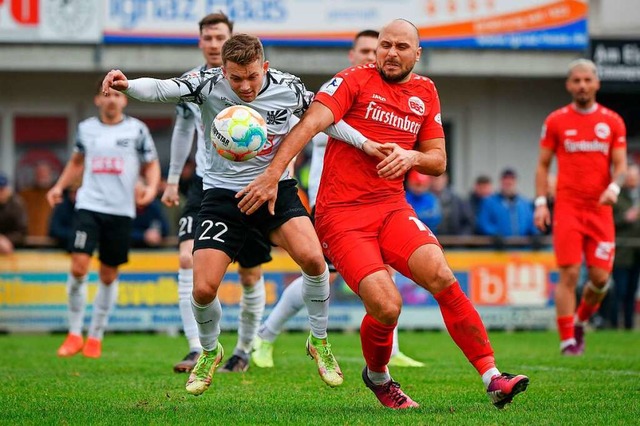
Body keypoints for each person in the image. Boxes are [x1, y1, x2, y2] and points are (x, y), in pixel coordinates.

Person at [238, 18, 529, 410]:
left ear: (417, 54)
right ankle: (378, 377)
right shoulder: (352, 81)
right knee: (387, 305)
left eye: (401, 47)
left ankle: (493, 376)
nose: (391, 52)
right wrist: (273, 175)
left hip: (391, 208)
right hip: (340, 216)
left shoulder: (425, 91)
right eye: (385, 45)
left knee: (442, 275)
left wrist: (413, 156)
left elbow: (438, 161)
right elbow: (309, 125)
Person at [102, 33, 370, 395]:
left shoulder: (288, 88)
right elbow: (163, 89)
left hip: (274, 190)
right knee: (203, 287)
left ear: (265, 67)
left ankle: (318, 340)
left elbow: (325, 118)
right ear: (223, 71)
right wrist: (128, 84)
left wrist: (366, 144)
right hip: (222, 197)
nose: (245, 86)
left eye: (252, 77)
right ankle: (210, 351)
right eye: (236, 78)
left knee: (314, 259)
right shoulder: (208, 83)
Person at [251, 29, 426, 370]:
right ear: (353, 54)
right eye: (364, 50)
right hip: (332, 205)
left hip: (378, 203)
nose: (369, 56)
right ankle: (265, 335)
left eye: (372, 50)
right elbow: (303, 135)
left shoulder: (387, 99)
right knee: (321, 276)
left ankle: (390, 350)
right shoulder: (337, 96)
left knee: (385, 272)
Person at [160, 13, 273, 374]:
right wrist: (173, 179)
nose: (213, 44)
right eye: (207, 38)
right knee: (186, 260)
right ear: (200, 42)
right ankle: (197, 346)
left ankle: (242, 350)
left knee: (250, 274)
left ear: (230, 41)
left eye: (219, 38)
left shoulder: (253, 80)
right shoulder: (191, 83)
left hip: (250, 184)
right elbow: (182, 131)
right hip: (206, 186)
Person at [47, 82, 160, 359]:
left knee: (109, 274)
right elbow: (76, 162)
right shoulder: (87, 128)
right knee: (78, 266)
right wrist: (59, 187)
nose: (112, 100)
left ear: (125, 101)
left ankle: (95, 335)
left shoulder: (137, 130)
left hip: (121, 211)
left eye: (118, 95)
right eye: (107, 95)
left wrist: (152, 187)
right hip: (89, 206)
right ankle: (74, 333)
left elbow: (152, 163)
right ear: (98, 99)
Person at [534, 58, 627, 355]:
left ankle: (579, 322)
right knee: (569, 274)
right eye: (577, 80)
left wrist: (614, 187)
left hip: (600, 210)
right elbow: (543, 165)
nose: (582, 85)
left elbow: (621, 164)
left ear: (597, 83)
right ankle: (567, 342)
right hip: (568, 208)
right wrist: (541, 203)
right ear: (568, 85)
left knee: (600, 279)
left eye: (588, 80)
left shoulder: (612, 121)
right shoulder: (556, 121)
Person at [610, 163, 640, 330]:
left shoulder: (638, 197)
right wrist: (624, 218)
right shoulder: (617, 198)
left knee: (631, 292)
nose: (632, 180)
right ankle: (614, 324)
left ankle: (629, 325)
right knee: (619, 291)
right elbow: (609, 222)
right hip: (621, 253)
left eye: (635, 177)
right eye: (630, 177)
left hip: (637, 253)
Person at [477, 168, 538, 239]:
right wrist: (494, 233)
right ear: (501, 182)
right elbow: (483, 223)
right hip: (499, 247)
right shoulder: (489, 203)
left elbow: (532, 223)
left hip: (522, 246)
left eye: (511, 181)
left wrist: (535, 233)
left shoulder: (525, 204)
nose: (508, 184)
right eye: (506, 181)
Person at [0, 172, 28, 255]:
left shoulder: (17, 204)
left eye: (1, 189)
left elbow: (22, 232)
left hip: (15, 248)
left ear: (8, 189)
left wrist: (7, 240)